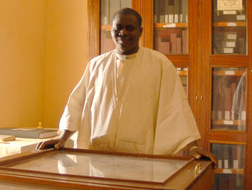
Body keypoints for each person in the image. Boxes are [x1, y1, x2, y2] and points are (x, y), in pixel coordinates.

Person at [38, 8, 201, 155]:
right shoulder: (97, 65)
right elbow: (76, 103)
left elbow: (176, 108)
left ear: (140, 31)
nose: (123, 32)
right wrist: (62, 138)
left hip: (140, 157)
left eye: (130, 28)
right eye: (118, 27)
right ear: (111, 30)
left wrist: (193, 146)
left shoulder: (160, 65)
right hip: (99, 155)